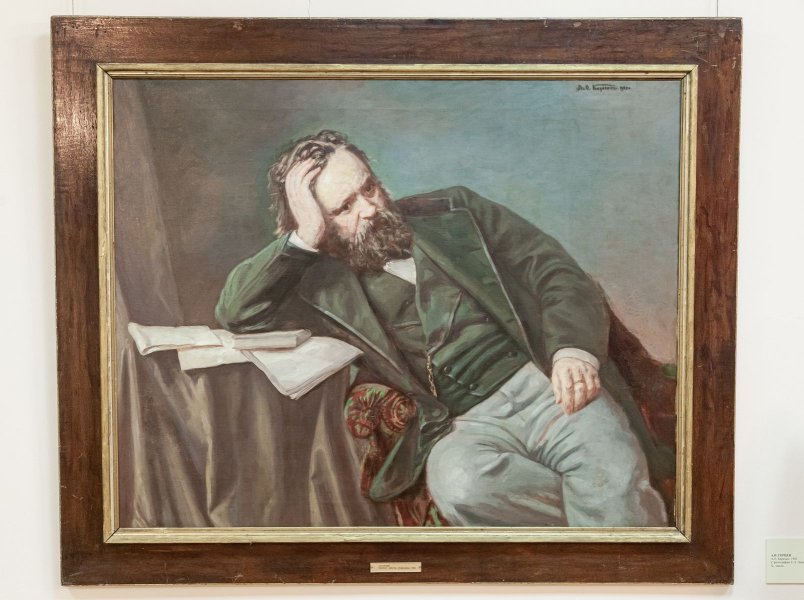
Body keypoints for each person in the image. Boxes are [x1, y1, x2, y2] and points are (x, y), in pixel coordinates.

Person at [216, 130, 672, 527]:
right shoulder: (317, 286)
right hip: (460, 423)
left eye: (369, 188)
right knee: (460, 487)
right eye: (344, 207)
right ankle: (597, 524)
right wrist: (302, 238)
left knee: (611, 469)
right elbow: (237, 312)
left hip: (546, 383)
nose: (369, 209)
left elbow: (555, 271)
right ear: (316, 221)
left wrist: (572, 350)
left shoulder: (456, 210)